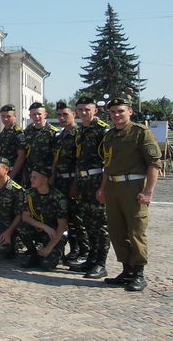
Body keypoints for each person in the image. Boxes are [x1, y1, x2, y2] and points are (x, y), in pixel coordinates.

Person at [100, 95, 161, 292]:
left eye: (120, 111)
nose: (116, 115)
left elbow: (154, 164)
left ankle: (139, 273)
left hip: (134, 188)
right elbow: (107, 165)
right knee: (116, 231)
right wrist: (102, 188)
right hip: (113, 187)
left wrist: (148, 191)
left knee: (136, 231)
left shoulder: (141, 132)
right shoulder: (110, 136)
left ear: (130, 112)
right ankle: (127, 271)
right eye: (113, 112)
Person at [69, 96, 111, 278]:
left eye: (87, 109)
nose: (83, 113)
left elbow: (108, 161)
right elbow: (78, 160)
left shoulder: (103, 130)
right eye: (80, 110)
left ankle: (101, 263)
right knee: (88, 223)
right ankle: (91, 260)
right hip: (83, 181)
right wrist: (76, 183)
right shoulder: (80, 131)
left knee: (100, 225)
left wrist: (103, 187)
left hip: (97, 179)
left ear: (96, 110)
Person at [51, 101, 83, 265]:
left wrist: (75, 183)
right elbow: (55, 159)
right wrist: (52, 177)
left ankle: (80, 250)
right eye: (59, 115)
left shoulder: (79, 134)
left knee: (76, 218)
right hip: (59, 180)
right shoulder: (60, 136)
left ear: (74, 115)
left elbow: (79, 161)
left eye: (65, 114)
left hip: (72, 179)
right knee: (62, 216)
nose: (62, 118)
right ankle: (68, 249)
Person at [18, 168, 68, 270]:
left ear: (44, 180)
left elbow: (62, 226)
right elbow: (25, 217)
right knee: (22, 227)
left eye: (34, 178)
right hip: (40, 229)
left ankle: (55, 252)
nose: (31, 179)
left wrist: (49, 248)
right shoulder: (29, 194)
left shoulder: (58, 197)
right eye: (31, 177)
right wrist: (44, 227)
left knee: (47, 265)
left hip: (54, 234)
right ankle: (33, 255)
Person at [23, 102, 59, 186]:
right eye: (34, 114)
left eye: (39, 114)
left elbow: (56, 157)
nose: (37, 117)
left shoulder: (53, 132)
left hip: (45, 174)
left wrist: (53, 174)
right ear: (30, 116)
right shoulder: (27, 131)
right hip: (30, 174)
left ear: (45, 115)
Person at [0, 104, 27, 180]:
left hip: (14, 172)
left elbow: (21, 156)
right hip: (2, 172)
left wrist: (12, 175)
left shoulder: (18, 133)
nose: (5, 119)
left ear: (15, 116)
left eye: (8, 116)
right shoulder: (2, 133)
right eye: (3, 116)